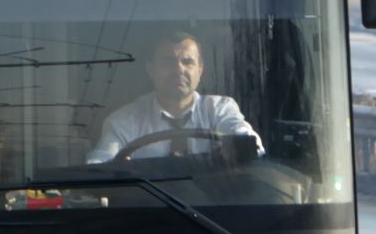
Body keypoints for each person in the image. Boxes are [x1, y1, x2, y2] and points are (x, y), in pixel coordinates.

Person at [86, 31, 263, 162]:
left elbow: (251, 145)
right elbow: (99, 167)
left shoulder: (220, 109)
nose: (179, 69)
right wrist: (117, 169)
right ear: (150, 69)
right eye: (168, 61)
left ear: (200, 69)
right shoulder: (123, 122)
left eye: (187, 62)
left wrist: (236, 148)